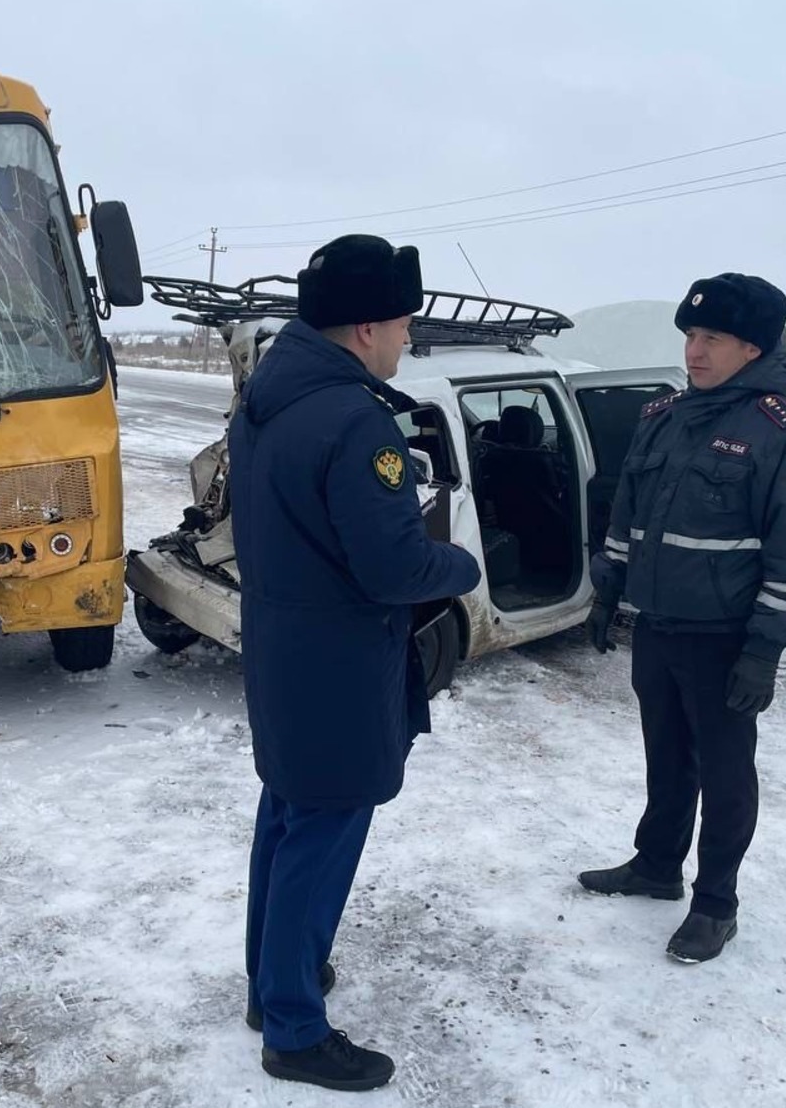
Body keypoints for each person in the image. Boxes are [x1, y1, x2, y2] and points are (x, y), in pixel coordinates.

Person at [227, 234, 481, 1090]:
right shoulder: (354, 418)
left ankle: (274, 985)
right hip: (335, 659)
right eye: (404, 323)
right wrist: (465, 568)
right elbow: (394, 568)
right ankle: (294, 1028)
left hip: (280, 644)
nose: (407, 338)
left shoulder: (267, 396)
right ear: (368, 326)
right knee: (324, 830)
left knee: (289, 812)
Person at [580, 273, 786, 963]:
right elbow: (626, 514)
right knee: (666, 755)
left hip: (725, 638)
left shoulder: (783, 436)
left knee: (724, 773)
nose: (695, 350)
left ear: (752, 347)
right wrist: (609, 590)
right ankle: (657, 863)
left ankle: (716, 903)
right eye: (690, 335)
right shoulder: (664, 415)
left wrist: (765, 651)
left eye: (711, 338)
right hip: (658, 624)